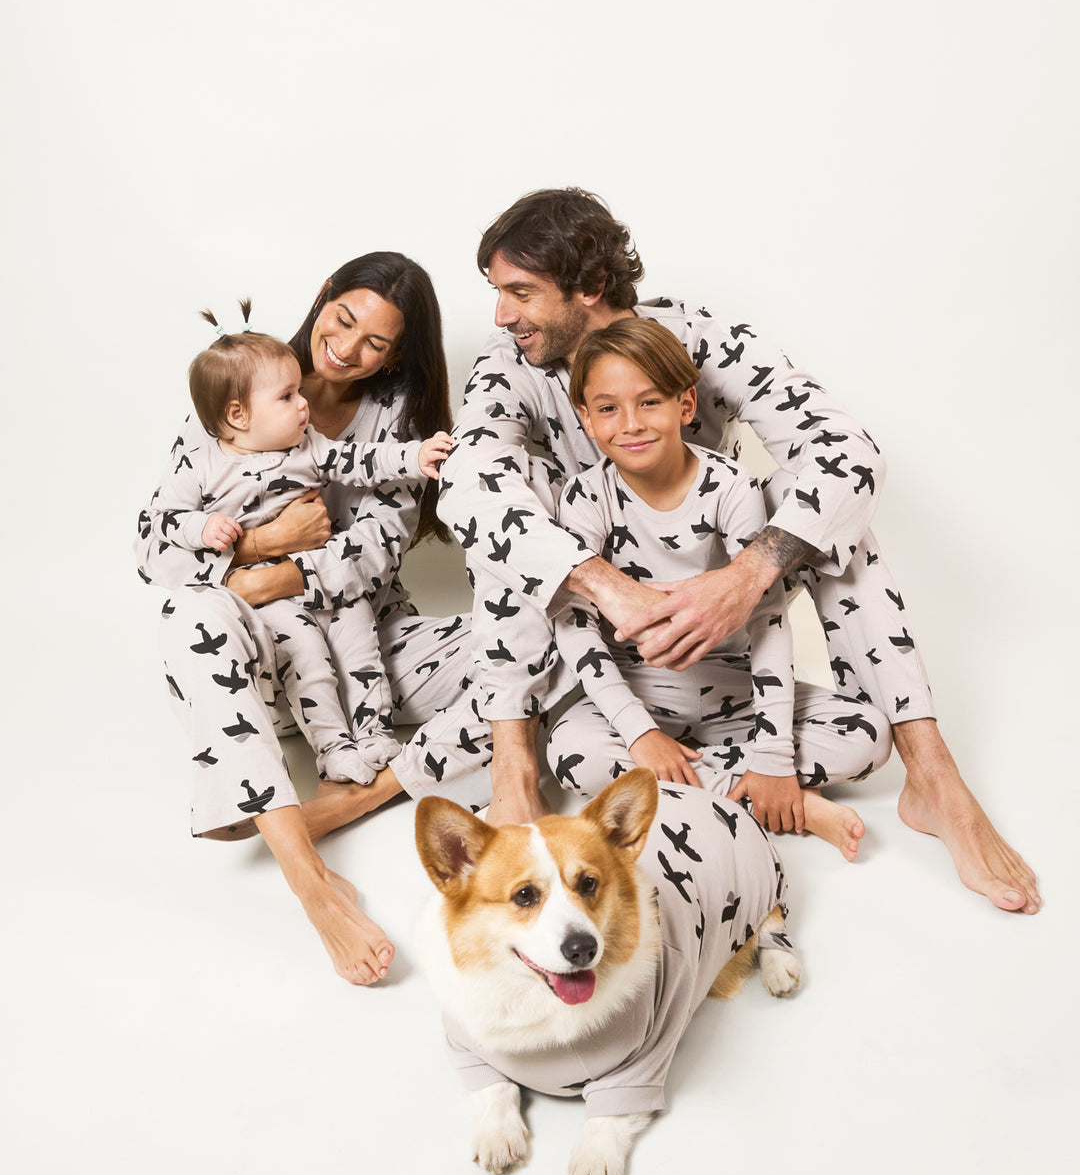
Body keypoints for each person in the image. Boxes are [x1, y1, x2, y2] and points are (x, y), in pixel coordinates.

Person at [438, 188, 1040, 914]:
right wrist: (604, 585)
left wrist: (748, 575)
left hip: (723, 623)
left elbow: (849, 454)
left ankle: (933, 776)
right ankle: (517, 772)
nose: (501, 315)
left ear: (589, 287)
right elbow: (467, 484)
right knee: (499, 507)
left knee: (823, 508)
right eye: (497, 293)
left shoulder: (700, 337)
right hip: (604, 639)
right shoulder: (511, 363)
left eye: (520, 292)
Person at [137, 253, 496, 986]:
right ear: (323, 297)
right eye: (344, 320)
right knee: (189, 612)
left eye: (378, 343)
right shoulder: (237, 388)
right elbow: (154, 550)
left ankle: (360, 796)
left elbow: (379, 547)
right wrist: (264, 546)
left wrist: (293, 570)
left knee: (532, 639)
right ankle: (310, 881)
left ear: (397, 355)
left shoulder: (393, 422)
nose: (350, 348)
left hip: (370, 653)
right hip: (265, 656)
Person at [548, 316, 891, 859]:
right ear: (586, 419)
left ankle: (742, 782)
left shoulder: (730, 485)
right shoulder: (585, 498)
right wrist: (640, 734)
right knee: (571, 754)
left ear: (686, 406)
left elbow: (767, 615)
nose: (631, 423)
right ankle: (785, 805)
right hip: (639, 690)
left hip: (732, 690)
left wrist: (773, 753)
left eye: (650, 402)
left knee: (869, 734)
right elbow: (574, 623)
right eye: (608, 408)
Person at [149, 299, 453, 786]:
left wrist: (416, 455)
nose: (302, 404)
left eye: (376, 342)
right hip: (271, 610)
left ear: (395, 354)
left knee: (359, 646)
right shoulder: (205, 455)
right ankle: (332, 746)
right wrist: (226, 538)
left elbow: (362, 462)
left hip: (332, 588)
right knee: (308, 655)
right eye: (288, 397)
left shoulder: (308, 443)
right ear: (237, 415)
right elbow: (160, 525)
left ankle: (373, 733)